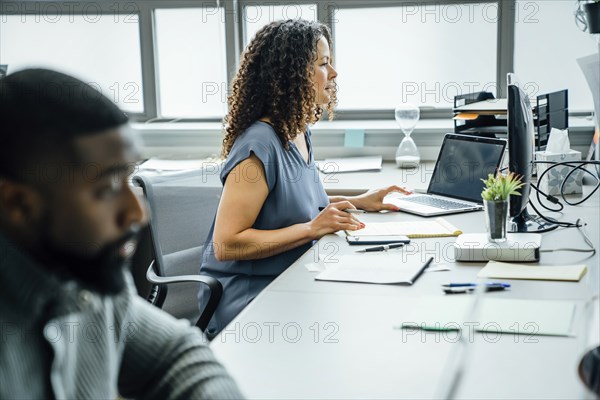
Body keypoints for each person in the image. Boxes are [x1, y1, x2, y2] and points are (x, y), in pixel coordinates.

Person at [0, 69, 243, 399]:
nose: (139, 214)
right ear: (19, 204)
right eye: (106, 188)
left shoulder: (91, 281)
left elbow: (176, 356)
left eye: (129, 176)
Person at [199, 19, 409, 337]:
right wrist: (312, 229)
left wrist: (358, 201)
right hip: (249, 300)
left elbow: (301, 207)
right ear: (293, 75)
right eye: (324, 64)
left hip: (292, 279)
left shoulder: (298, 133)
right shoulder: (260, 145)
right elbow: (227, 245)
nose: (334, 74)